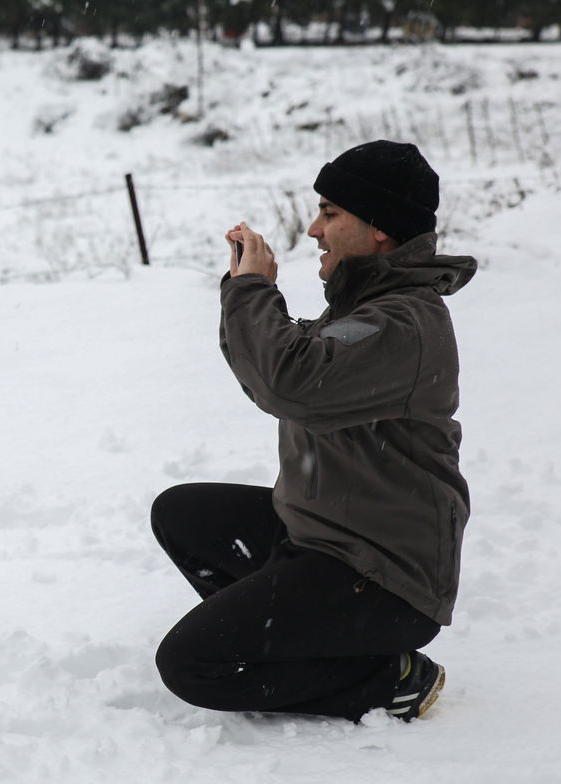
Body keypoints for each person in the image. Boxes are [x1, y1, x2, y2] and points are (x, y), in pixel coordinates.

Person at [151, 140, 475, 722]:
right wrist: (243, 291)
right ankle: (298, 639)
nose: (313, 230)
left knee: (192, 665)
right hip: (324, 538)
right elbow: (277, 371)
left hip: (382, 576)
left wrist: (253, 292)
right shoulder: (366, 306)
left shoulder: (404, 323)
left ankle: (385, 676)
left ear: (379, 229)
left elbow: (292, 383)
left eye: (330, 213)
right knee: (182, 513)